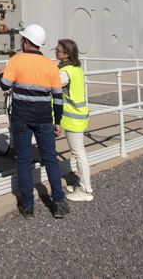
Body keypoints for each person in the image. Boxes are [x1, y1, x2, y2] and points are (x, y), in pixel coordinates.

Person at [0, 24, 69, 219]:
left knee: (23, 160)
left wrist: (0, 73)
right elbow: (58, 96)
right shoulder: (50, 65)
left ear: (26, 41)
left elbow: (5, 85)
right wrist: (58, 121)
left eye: (23, 39)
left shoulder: (16, 60)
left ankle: (28, 206)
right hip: (44, 118)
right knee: (50, 159)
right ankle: (58, 203)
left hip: (21, 117)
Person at [55, 38, 93, 202]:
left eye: (58, 50)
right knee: (79, 152)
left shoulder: (65, 72)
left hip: (73, 118)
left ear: (66, 54)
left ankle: (85, 189)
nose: (56, 52)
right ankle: (81, 184)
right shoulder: (75, 68)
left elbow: (50, 84)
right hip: (79, 115)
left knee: (79, 153)